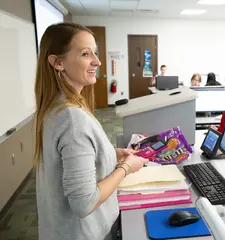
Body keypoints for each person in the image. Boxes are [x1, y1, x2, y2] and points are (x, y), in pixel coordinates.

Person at [34, 23, 149, 240]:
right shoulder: (72, 118)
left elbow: (65, 161)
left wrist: (110, 153)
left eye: (94, 52)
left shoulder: (55, 107)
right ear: (58, 62)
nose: (97, 61)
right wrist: (125, 168)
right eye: (86, 54)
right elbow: (84, 203)